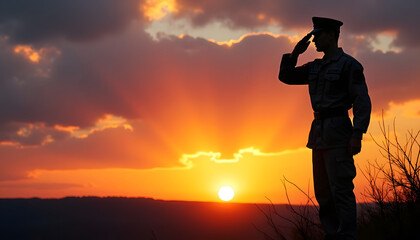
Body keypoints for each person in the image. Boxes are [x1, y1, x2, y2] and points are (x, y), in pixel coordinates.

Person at [278, 17, 371, 240]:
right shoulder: (315, 67)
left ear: (332, 35)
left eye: (318, 35)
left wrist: (357, 134)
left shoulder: (349, 65)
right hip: (318, 134)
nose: (315, 40)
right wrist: (295, 54)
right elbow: (286, 76)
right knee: (323, 193)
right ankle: (332, 235)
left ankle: (347, 236)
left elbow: (362, 101)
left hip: (339, 133)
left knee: (341, 191)